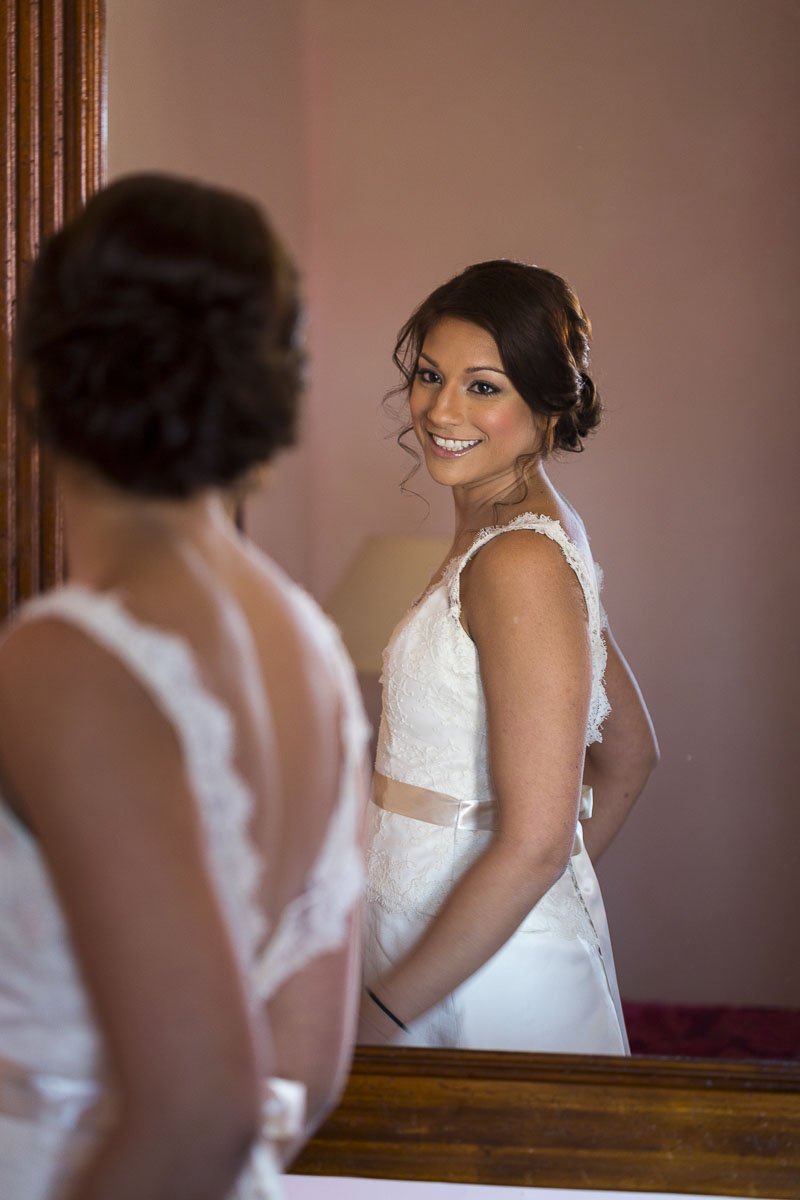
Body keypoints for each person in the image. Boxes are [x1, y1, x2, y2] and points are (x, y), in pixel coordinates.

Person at [0, 174, 369, 1199]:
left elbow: (202, 1112)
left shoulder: (70, 662)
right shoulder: (314, 650)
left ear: (39, 376)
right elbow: (303, 1070)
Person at [359, 260, 658, 1053]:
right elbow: (630, 752)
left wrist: (383, 1014)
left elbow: (536, 841)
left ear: (550, 405)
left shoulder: (521, 560)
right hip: (439, 938)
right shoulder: (511, 532)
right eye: (430, 375)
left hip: (483, 982)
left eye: (484, 386)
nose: (441, 409)